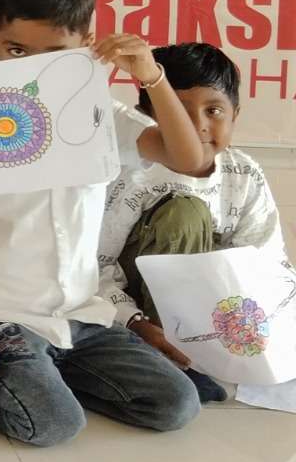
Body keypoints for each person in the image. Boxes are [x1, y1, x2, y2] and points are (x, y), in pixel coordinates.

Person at [0, 0, 206, 446]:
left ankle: (44, 372)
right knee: (54, 424)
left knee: (176, 403)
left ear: (87, 43)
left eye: (56, 53)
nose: (35, 67)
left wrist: (152, 77)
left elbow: (188, 158)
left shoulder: (102, 115)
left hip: (80, 315)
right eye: (17, 50)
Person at [97, 42, 288, 402]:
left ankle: (205, 358)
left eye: (213, 110)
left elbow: (264, 261)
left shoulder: (243, 172)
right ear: (146, 116)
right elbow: (96, 266)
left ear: (235, 114)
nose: (198, 126)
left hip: (215, 315)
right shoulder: (131, 172)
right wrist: (135, 322)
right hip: (137, 310)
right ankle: (174, 358)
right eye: (179, 112)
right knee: (185, 213)